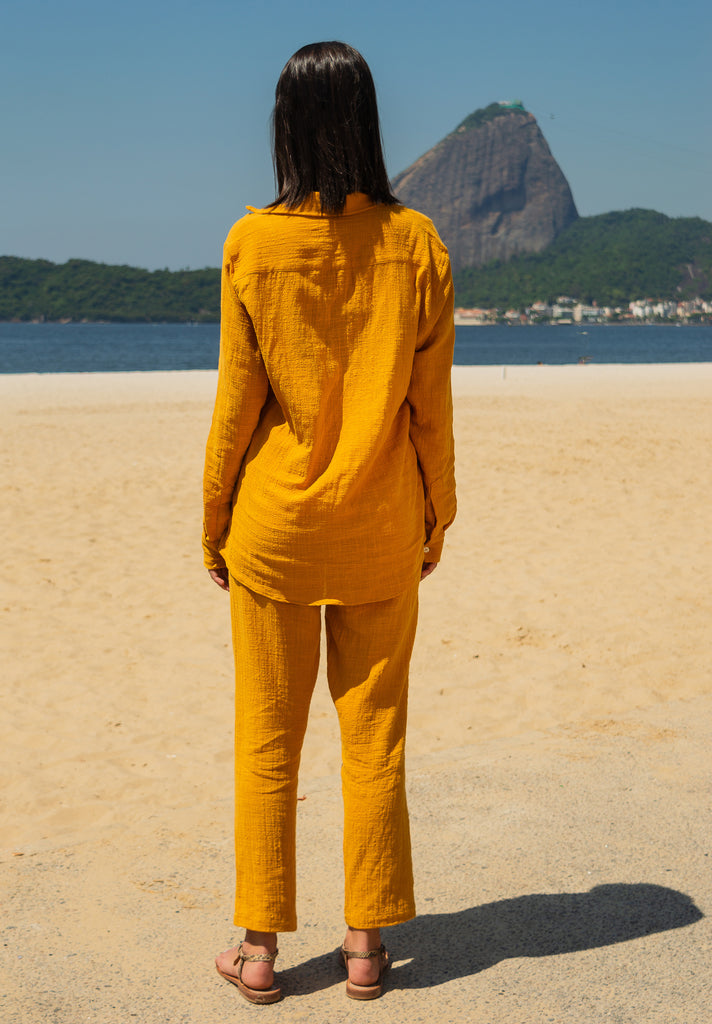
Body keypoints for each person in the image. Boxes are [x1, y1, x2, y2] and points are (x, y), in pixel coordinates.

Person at [203, 40, 456, 1004]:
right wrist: (438, 514)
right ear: (368, 120)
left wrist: (214, 519)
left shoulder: (254, 243)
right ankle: (364, 949)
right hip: (383, 523)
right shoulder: (417, 242)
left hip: (274, 527)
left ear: (286, 124)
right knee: (374, 735)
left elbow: (237, 403)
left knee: (268, 738)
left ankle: (259, 951)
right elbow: (429, 404)